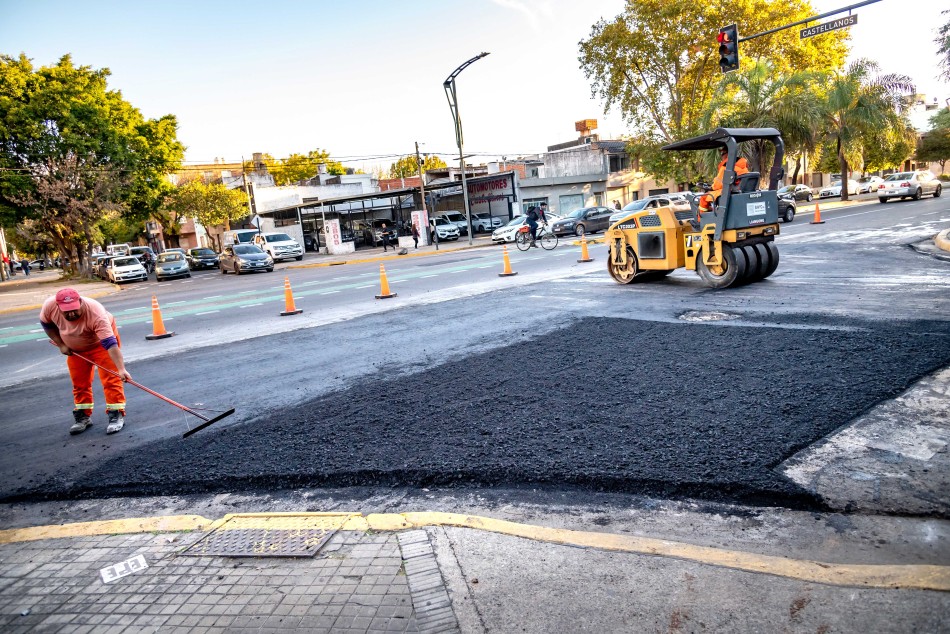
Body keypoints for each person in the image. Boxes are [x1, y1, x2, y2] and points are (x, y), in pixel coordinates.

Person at [40, 288, 131, 435]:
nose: (71, 314)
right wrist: (61, 344)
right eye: (66, 311)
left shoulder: (96, 313)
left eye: (74, 310)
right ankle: (83, 417)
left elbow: (110, 343)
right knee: (79, 382)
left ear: (80, 302)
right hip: (75, 349)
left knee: (111, 379)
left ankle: (116, 414)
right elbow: (47, 325)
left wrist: (121, 369)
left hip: (100, 345)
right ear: (58, 307)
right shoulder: (49, 306)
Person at [699, 146, 749, 215]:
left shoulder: (727, 167)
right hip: (737, 190)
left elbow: (717, 185)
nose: (721, 156)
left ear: (728, 154)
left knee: (703, 197)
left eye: (722, 153)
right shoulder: (743, 167)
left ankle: (700, 220)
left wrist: (711, 187)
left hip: (728, 191)